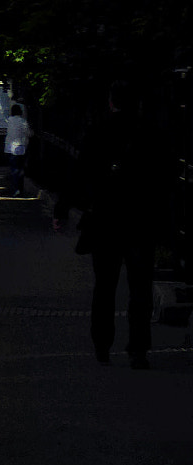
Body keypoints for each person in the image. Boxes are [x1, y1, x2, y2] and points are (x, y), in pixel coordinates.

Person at [55, 82, 157, 368]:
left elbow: (80, 171)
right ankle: (138, 349)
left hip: (106, 220)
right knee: (140, 289)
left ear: (111, 102)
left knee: (104, 286)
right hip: (140, 220)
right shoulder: (148, 133)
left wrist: (62, 208)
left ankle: (102, 344)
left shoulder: (98, 131)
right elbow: (162, 179)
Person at [3, 102, 30, 195]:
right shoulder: (23, 121)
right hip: (20, 146)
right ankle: (20, 188)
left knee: (13, 168)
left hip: (10, 147)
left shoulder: (9, 120)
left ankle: (15, 188)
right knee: (20, 169)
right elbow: (28, 133)